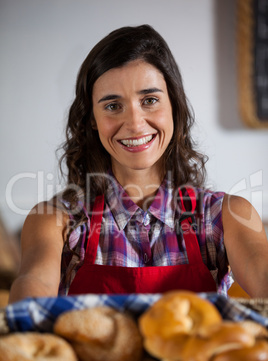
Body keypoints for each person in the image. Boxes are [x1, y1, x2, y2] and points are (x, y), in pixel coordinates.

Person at [9, 24, 268, 303]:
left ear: (174, 107)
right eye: (112, 105)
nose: (134, 124)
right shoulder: (55, 220)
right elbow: (32, 290)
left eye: (150, 100)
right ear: (92, 119)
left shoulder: (226, 216)